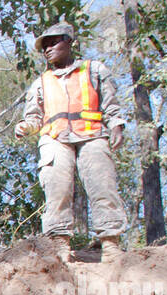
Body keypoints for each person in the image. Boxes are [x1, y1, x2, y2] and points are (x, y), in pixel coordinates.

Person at [15, 21, 129, 262]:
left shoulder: (94, 70)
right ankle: (59, 247)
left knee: (102, 185)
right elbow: (34, 117)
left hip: (92, 134)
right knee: (57, 189)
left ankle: (110, 245)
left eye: (53, 42)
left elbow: (111, 104)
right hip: (55, 139)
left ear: (69, 42)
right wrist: (26, 126)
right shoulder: (41, 82)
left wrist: (116, 124)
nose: (47, 49)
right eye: (44, 46)